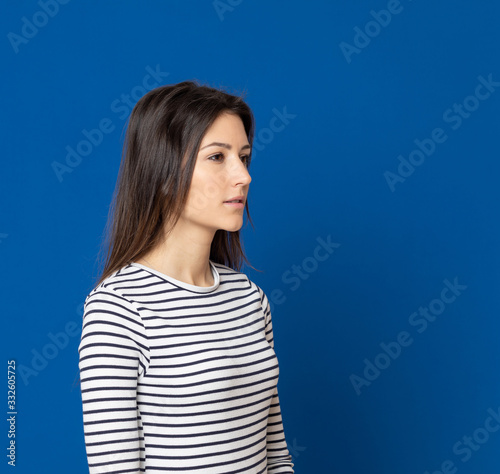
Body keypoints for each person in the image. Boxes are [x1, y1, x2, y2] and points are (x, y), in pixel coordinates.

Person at [78, 80, 295, 473]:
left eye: (244, 157)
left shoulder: (250, 299)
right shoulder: (118, 309)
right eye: (217, 157)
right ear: (161, 174)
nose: (243, 176)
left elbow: (277, 457)